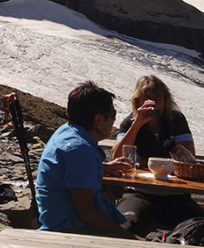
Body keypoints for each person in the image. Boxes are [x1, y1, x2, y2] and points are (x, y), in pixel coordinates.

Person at [35, 81, 138, 239]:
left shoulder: (67, 131)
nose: (113, 121)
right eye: (112, 115)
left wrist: (104, 167)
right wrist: (129, 237)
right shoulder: (79, 150)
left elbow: (71, 170)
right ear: (98, 120)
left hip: (59, 220)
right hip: (69, 227)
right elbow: (87, 212)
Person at [111, 75, 204, 234]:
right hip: (139, 193)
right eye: (148, 99)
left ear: (165, 100)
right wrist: (137, 124)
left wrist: (153, 165)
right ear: (138, 101)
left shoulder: (176, 120)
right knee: (127, 226)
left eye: (158, 98)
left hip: (175, 195)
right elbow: (117, 155)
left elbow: (188, 157)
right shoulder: (130, 122)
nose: (154, 103)